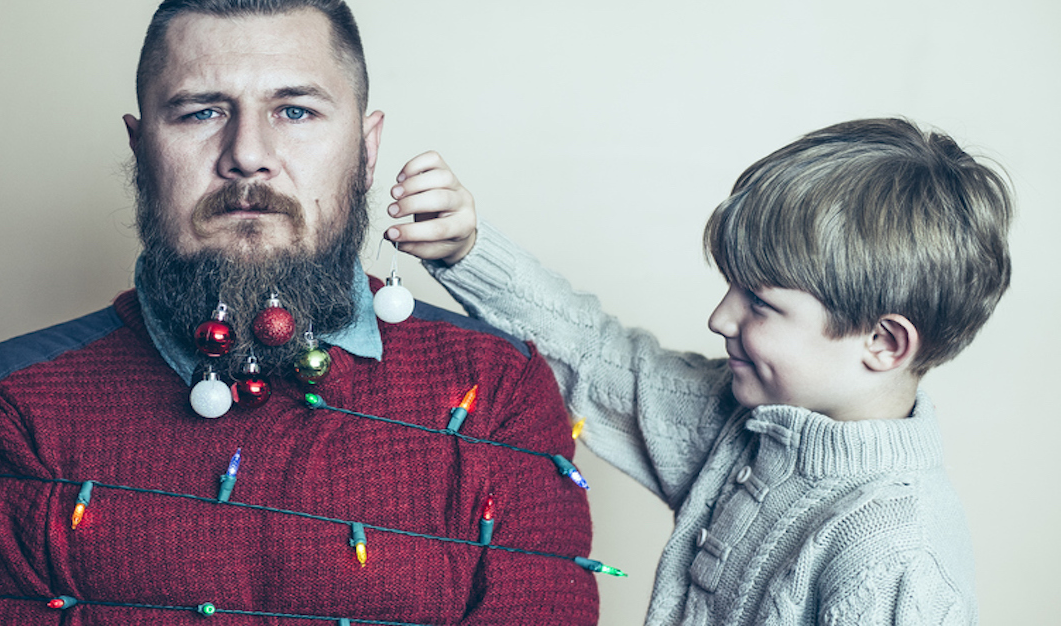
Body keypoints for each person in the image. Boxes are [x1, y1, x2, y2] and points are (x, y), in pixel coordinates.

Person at [0, 0, 598, 625]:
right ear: (141, 147)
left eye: (294, 111)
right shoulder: (8, 409)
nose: (247, 153)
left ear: (365, 150)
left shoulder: (497, 392)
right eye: (201, 112)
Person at [388, 118, 1012, 625]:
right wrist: (469, 252)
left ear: (883, 341)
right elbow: (598, 358)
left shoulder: (897, 560)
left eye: (761, 303)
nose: (720, 318)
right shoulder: (744, 421)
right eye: (730, 289)